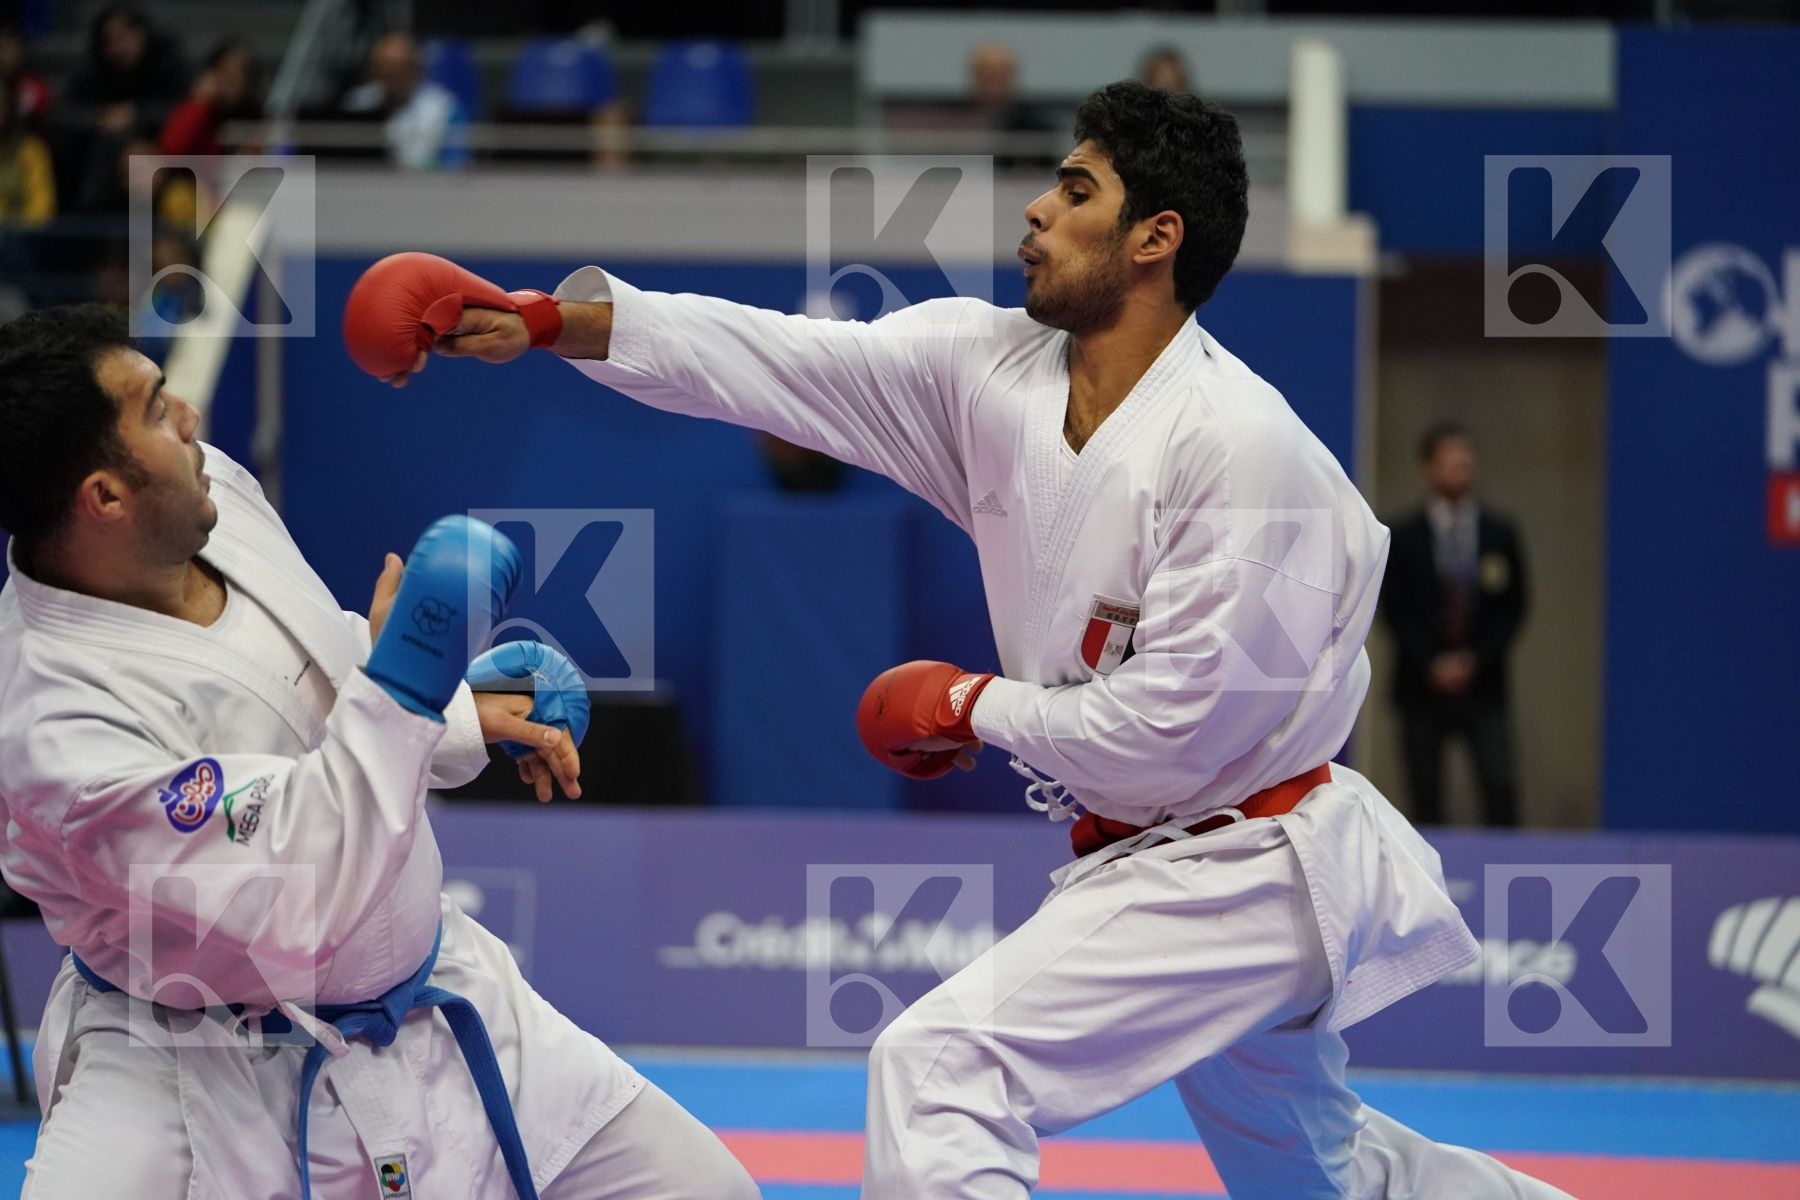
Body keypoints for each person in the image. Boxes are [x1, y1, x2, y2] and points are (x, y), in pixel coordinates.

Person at [360, 81, 1574, 1200]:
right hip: (1157, 852)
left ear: (1158, 238)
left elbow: (1162, 736)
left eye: (1079, 191)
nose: (1036, 211)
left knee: (940, 1066)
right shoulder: (989, 373)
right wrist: (545, 320)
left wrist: (965, 706)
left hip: (1248, 858)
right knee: (1333, 1177)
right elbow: (775, 360)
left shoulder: (1241, 454)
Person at [0, 305, 760, 1200]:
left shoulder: (213, 500)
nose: (191, 419)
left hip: (432, 998)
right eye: (158, 410)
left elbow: (326, 686)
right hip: (194, 1071)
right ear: (106, 498)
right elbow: (304, 884)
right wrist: (407, 675)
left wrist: (449, 704)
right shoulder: (56, 733)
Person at [1379, 422, 1528, 826]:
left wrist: (1472, 660)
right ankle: (1431, 885)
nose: (1460, 469)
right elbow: (1393, 611)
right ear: (1428, 469)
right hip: (1420, 685)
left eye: (1466, 461)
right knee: (1425, 796)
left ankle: (1504, 880)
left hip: (1484, 684)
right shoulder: (1402, 536)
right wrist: (1432, 661)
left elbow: (1514, 608)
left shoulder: (1499, 533)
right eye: (1450, 462)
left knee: (1500, 789)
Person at [60, 4, 187, 213]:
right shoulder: (94, 70)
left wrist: (135, 114)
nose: (118, 48)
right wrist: (100, 117)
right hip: (101, 160)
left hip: (162, 152)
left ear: (142, 33)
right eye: (109, 41)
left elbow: (181, 110)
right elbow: (65, 112)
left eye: (125, 37)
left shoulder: (167, 64)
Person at [342, 31, 467, 171]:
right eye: (384, 67)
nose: (391, 73)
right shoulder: (358, 102)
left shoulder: (445, 107)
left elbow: (455, 162)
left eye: (399, 67)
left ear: (416, 69)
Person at [158, 38, 262, 157]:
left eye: (239, 74)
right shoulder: (197, 110)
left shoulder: (256, 118)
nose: (230, 81)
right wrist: (199, 102)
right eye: (225, 71)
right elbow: (171, 149)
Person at [0, 76, 53, 225]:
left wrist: (19, 229)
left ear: (9, 109)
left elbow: (41, 205)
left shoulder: (30, 150)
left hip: (18, 239)